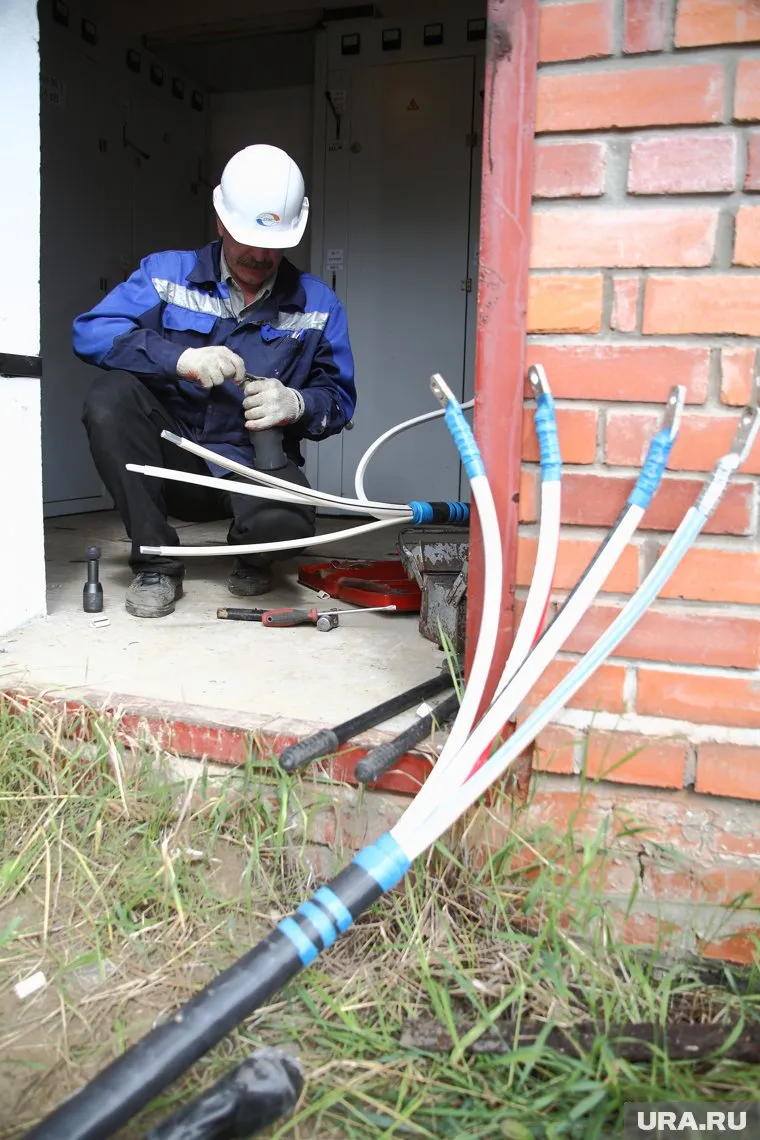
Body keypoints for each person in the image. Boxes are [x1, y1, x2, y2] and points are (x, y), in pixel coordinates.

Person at [73, 144, 356, 618]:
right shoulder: (167, 275)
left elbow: (340, 399)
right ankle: (158, 561)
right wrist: (178, 357)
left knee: (289, 525)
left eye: (274, 243)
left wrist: (298, 404)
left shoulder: (318, 304)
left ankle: (254, 552)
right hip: (171, 455)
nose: (261, 255)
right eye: (247, 237)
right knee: (109, 399)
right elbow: (90, 332)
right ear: (221, 221)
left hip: (248, 465)